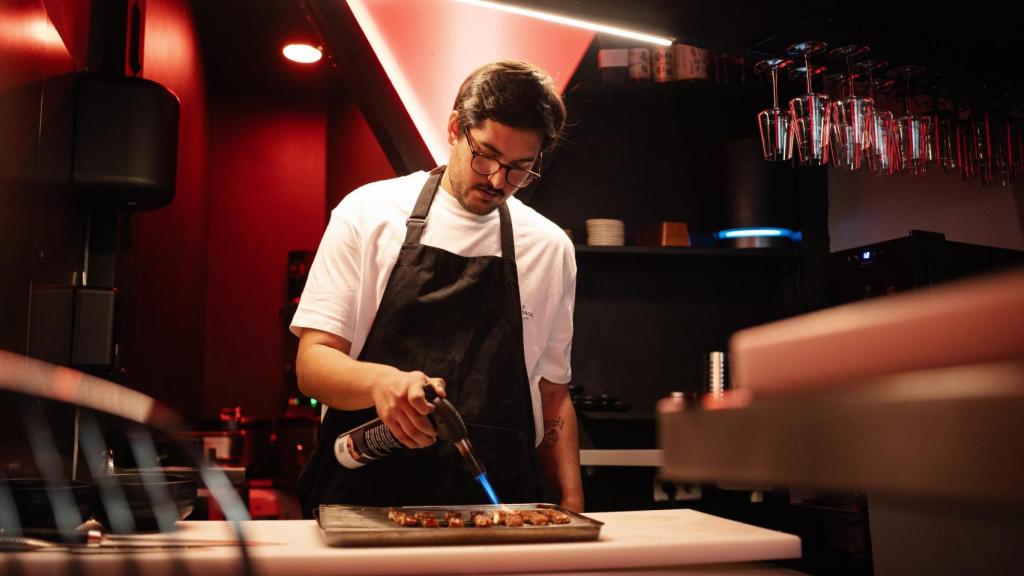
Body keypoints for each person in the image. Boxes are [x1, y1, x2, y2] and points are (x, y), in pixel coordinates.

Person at [290, 60, 582, 515]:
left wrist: (572, 500)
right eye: (485, 154)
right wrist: (381, 382)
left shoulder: (549, 247)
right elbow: (313, 364)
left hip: (498, 507)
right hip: (366, 503)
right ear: (454, 128)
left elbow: (552, 392)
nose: (497, 182)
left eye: (520, 169)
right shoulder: (368, 213)